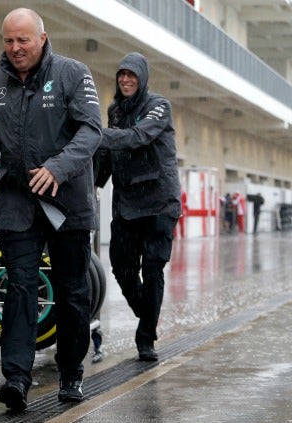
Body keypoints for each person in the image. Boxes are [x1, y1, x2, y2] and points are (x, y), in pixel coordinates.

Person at [0, 8, 102, 411]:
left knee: (72, 291)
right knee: (19, 287)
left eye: (23, 40)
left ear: (42, 38)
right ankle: (17, 377)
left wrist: (57, 168)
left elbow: (91, 130)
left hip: (67, 202)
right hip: (17, 201)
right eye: (9, 41)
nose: (15, 48)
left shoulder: (72, 73)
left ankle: (71, 372)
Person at [99, 52, 181, 362]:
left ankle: (145, 336)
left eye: (132, 75)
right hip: (127, 201)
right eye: (121, 75)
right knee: (121, 265)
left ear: (142, 79)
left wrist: (94, 134)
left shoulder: (159, 106)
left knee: (152, 267)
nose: (125, 80)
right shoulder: (115, 111)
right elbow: (108, 154)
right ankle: (147, 313)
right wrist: (91, 183)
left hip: (159, 200)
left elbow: (137, 138)